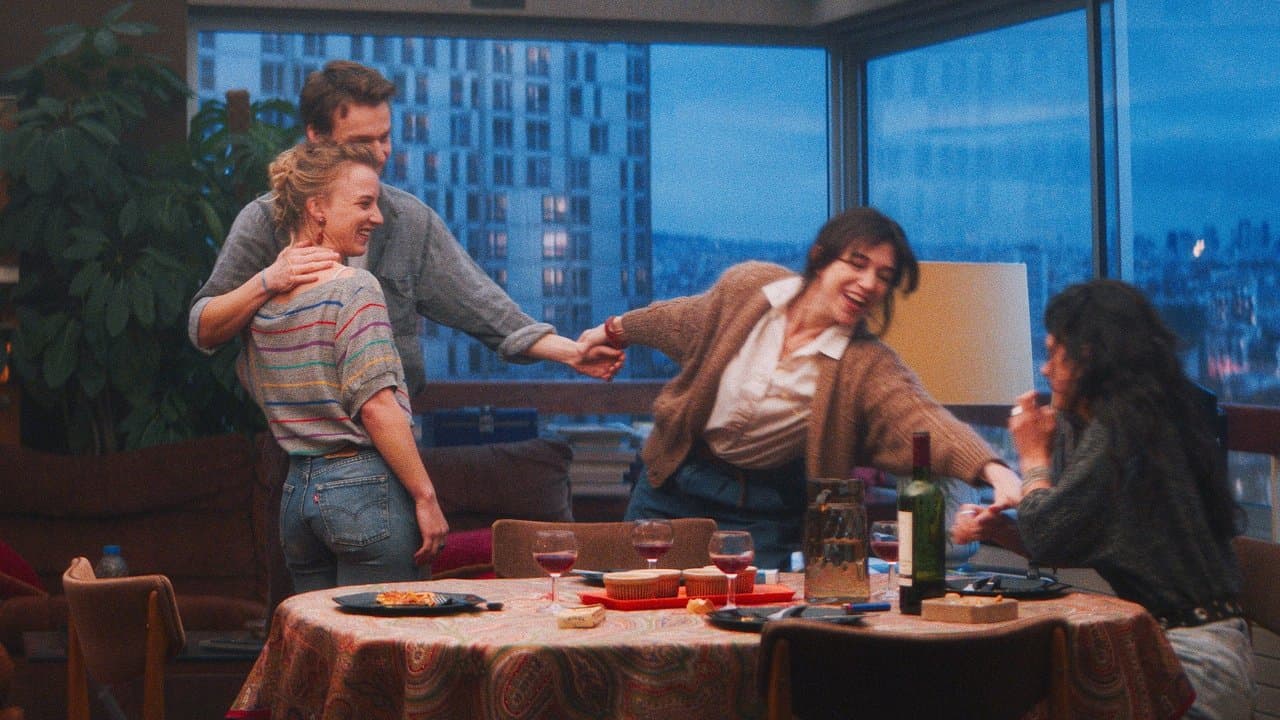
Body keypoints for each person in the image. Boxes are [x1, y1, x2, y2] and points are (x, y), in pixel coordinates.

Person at [579, 207, 1023, 570]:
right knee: (634, 597)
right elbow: (681, 319)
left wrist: (996, 472)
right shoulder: (749, 289)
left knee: (745, 628)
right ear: (820, 258)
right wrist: (611, 331)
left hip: (761, 514)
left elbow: (920, 416)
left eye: (884, 276)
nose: (869, 283)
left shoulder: (865, 364)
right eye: (857, 263)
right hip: (669, 486)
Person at [188, 60, 622, 391]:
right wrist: (268, 281)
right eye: (362, 142)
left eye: (385, 137)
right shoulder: (266, 219)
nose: (380, 154)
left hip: (389, 435)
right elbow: (203, 326)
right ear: (316, 137)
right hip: (296, 443)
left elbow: (488, 310)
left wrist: (572, 352)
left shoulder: (408, 220)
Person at [952, 279, 1256, 719]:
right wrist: (1004, 530)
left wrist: (1032, 456)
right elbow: (1069, 538)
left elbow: (1047, 532)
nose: (1045, 369)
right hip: (1187, 647)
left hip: (1192, 664)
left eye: (1053, 353)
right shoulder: (1145, 417)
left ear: (1087, 356)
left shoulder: (1121, 431)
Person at [240, 141, 448, 592]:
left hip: (296, 496)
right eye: (364, 203)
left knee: (324, 635)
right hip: (364, 491)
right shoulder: (354, 288)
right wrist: (425, 496)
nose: (378, 217)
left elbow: (253, 383)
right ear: (317, 208)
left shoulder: (262, 306)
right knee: (387, 632)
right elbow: (375, 406)